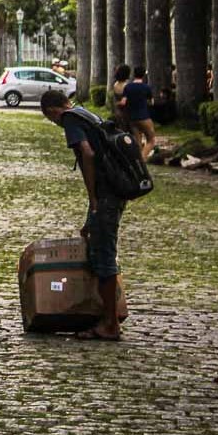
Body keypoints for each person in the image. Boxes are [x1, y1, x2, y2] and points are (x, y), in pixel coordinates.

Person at [40, 89, 126, 341]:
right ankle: (103, 315)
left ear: (52, 111)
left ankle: (110, 324)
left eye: (51, 119)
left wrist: (93, 197)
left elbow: (87, 154)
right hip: (112, 192)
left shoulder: (70, 119)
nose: (55, 123)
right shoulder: (85, 113)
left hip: (105, 194)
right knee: (94, 241)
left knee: (103, 254)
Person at [118, 67, 156, 161]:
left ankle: (136, 161)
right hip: (144, 117)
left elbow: (123, 102)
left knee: (138, 143)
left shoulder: (128, 87)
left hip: (132, 118)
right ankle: (142, 160)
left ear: (134, 74)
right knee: (151, 140)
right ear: (143, 75)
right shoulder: (146, 87)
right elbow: (152, 102)